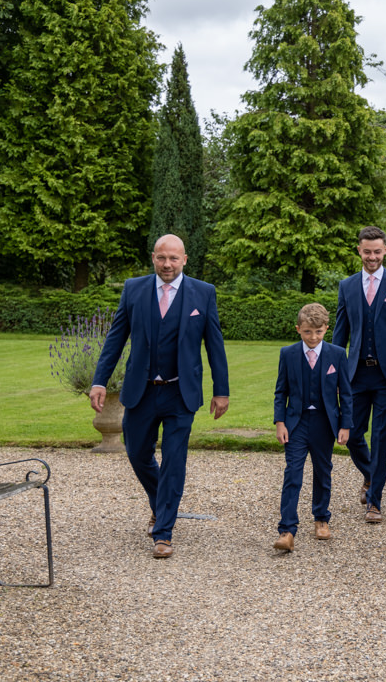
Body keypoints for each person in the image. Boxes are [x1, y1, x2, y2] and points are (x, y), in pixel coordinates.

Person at [90, 234, 229, 559]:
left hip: (182, 393)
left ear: (184, 260)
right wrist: (99, 381)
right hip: (141, 391)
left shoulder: (203, 293)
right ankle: (162, 502)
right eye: (161, 258)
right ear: (153, 257)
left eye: (174, 258)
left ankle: (163, 532)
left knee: (174, 460)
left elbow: (215, 345)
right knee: (137, 454)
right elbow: (115, 339)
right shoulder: (133, 289)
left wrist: (221, 391)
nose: (167, 264)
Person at [333, 226, 386, 523]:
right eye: (367, 251)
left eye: (377, 252)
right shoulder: (347, 285)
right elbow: (340, 333)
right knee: (352, 433)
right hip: (355, 374)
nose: (372, 257)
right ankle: (370, 475)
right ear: (359, 250)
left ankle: (375, 501)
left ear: (385, 250)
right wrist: (332, 371)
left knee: (382, 438)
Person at [272, 303, 352, 552]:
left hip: (325, 424)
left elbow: (346, 394)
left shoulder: (337, 354)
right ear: (298, 329)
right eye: (307, 332)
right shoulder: (287, 354)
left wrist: (345, 425)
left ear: (326, 329)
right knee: (292, 473)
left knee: (323, 471)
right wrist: (280, 422)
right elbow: (280, 392)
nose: (313, 337)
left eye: (318, 332)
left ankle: (321, 519)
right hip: (295, 423)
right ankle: (287, 529)